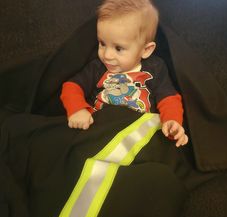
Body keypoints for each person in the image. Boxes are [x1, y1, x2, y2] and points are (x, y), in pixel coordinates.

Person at [60, 0, 188, 147]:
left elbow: (169, 98)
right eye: (102, 43)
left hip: (138, 136)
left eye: (118, 48)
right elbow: (71, 86)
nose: (107, 55)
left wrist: (172, 122)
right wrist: (77, 110)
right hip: (100, 131)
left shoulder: (155, 68)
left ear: (146, 50)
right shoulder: (97, 68)